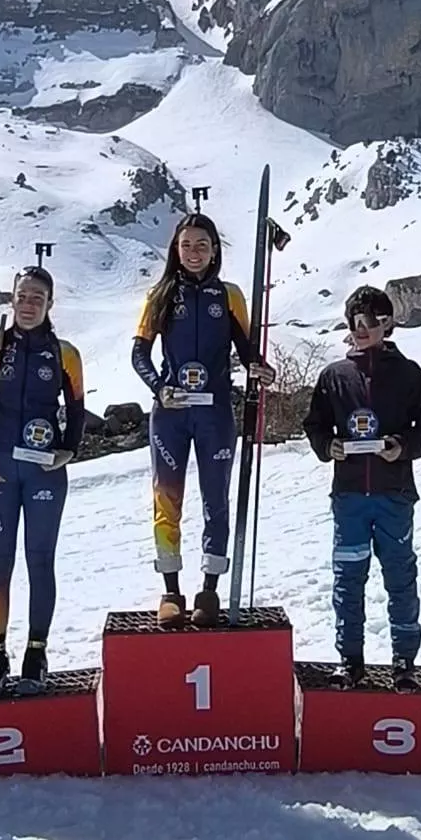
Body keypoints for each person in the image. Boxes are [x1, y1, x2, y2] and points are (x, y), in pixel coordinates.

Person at [131, 211, 272, 627]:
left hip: (214, 414)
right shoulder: (160, 295)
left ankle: (209, 589)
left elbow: (247, 350)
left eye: (202, 245)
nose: (194, 253)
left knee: (216, 498)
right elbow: (139, 353)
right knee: (167, 499)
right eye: (186, 245)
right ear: (176, 250)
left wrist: (259, 367)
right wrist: (159, 387)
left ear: (215, 251)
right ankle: (171, 589)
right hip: (171, 414)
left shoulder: (229, 295)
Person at [0, 266, 85, 688]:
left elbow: (78, 408)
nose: (28, 305)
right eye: (22, 297)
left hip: (44, 472)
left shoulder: (64, 352)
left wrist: (68, 448)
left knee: (40, 561)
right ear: (11, 300)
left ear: (50, 304)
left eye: (37, 298)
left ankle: (36, 653)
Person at [303, 285, 421, 685]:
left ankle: (404, 662)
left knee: (399, 576)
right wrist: (329, 446)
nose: (362, 329)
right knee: (348, 578)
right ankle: (351, 660)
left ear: (388, 324)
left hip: (394, 495)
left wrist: (402, 448)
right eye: (355, 322)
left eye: (370, 322)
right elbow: (315, 425)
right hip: (348, 498)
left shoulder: (410, 374)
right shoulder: (334, 376)